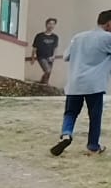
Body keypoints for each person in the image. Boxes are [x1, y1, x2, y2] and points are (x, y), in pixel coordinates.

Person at [50, 8, 111, 157]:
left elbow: (66, 56)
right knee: (95, 115)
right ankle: (92, 146)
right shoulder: (108, 38)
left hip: (75, 82)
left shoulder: (78, 37)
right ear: (109, 24)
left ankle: (66, 134)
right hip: (94, 84)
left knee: (70, 113)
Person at [30, 17, 60, 84]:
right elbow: (34, 47)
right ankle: (42, 83)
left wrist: (53, 56)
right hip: (41, 57)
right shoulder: (39, 36)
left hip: (50, 57)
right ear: (46, 24)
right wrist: (32, 58)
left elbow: (55, 48)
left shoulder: (55, 37)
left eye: (53, 24)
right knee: (48, 70)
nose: (51, 25)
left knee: (48, 73)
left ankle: (44, 84)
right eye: (49, 23)